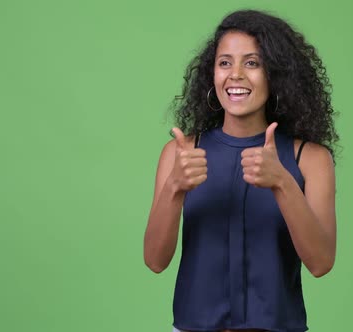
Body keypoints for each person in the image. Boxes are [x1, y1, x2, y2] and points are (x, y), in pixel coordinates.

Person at [144, 9, 339, 332]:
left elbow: (321, 263)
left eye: (252, 63)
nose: (235, 74)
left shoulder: (310, 158)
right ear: (212, 75)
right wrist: (174, 188)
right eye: (224, 63)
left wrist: (282, 183)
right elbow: (154, 261)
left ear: (275, 74)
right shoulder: (180, 154)